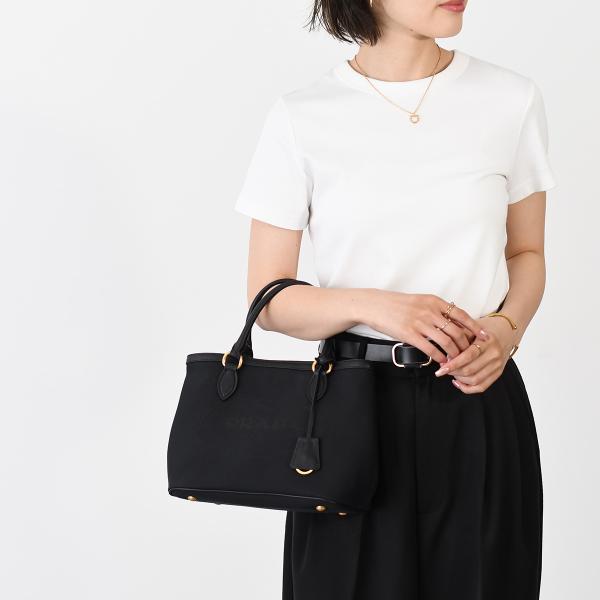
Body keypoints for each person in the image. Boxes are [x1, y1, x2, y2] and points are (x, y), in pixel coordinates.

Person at [233, 1, 556, 599]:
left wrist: (506, 331)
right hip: (348, 412)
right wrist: (375, 306)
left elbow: (527, 253)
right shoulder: (302, 117)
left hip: (477, 402)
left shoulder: (510, 100)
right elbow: (269, 299)